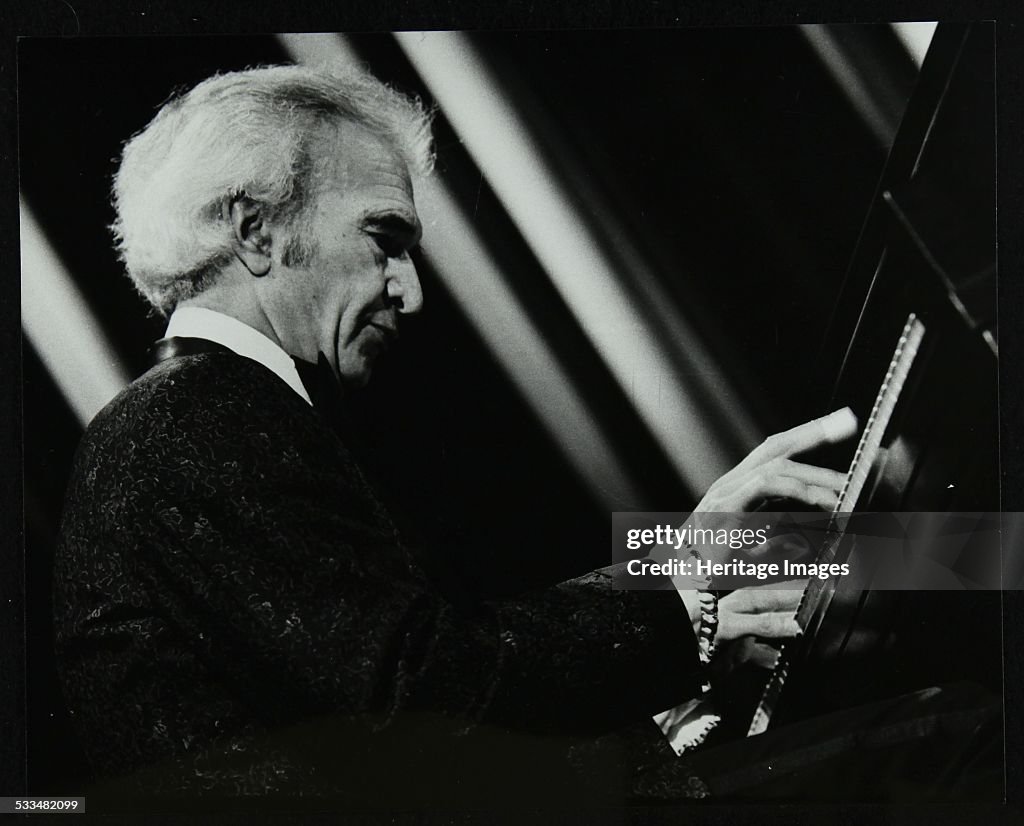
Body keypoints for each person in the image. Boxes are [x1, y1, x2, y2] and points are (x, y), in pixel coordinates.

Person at [52, 64, 997, 809]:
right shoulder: (193, 421)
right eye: (385, 237)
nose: (409, 292)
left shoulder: (209, 417)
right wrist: (684, 590)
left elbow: (401, 702)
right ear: (256, 232)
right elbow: (423, 696)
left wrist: (677, 638)